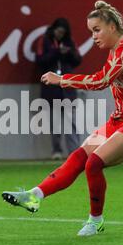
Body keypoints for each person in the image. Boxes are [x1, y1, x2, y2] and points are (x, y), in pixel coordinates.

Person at [2, 0, 123, 237]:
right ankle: (34, 196)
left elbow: (101, 81)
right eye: (91, 31)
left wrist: (62, 79)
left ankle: (95, 221)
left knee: (94, 163)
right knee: (80, 156)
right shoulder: (119, 51)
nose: (93, 36)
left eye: (96, 30)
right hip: (121, 119)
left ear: (112, 26)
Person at [35, 18, 83, 160]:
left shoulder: (70, 41)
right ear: (54, 29)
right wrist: (56, 52)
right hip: (51, 88)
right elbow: (40, 61)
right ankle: (56, 150)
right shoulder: (44, 41)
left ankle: (74, 152)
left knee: (71, 122)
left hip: (68, 87)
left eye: (63, 33)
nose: (60, 35)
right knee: (55, 123)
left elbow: (78, 60)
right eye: (59, 32)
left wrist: (67, 53)